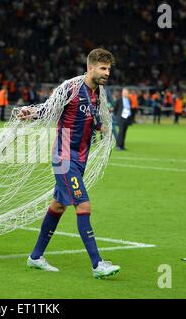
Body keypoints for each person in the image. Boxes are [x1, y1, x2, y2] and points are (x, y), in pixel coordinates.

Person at [18, 48, 121, 279]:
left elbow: (90, 119)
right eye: (103, 69)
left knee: (57, 207)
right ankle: (97, 264)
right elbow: (49, 108)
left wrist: (101, 128)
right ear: (91, 68)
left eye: (109, 69)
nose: (107, 73)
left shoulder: (98, 94)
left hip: (80, 159)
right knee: (83, 206)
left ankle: (35, 257)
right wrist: (30, 112)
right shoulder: (71, 88)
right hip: (64, 158)